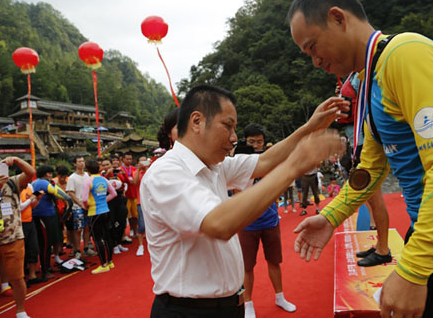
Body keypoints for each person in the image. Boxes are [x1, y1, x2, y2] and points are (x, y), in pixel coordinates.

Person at [288, 0, 433, 317]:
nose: (315, 61)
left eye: (313, 47)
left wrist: (414, 268)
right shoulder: (371, 78)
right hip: (432, 234)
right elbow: (369, 168)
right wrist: (331, 216)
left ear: (338, 19)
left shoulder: (407, 55)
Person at [140, 85, 347, 318]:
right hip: (188, 311)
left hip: (228, 307)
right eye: (227, 126)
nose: (234, 137)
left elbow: (265, 162)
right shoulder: (165, 172)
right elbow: (218, 223)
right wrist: (293, 167)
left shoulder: (215, 166)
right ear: (197, 121)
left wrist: (310, 127)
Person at [238, 123, 296, 317]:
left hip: (270, 220)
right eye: (252, 142)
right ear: (244, 142)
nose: (256, 145)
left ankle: (280, 297)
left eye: (259, 142)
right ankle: (248, 304)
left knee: (274, 261)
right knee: (247, 267)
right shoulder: (236, 163)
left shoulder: (271, 161)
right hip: (246, 223)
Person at [337, 72, 391, 266]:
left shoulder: (361, 73)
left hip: (364, 141)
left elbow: (367, 101)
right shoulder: (352, 75)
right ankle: (380, 245)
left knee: (374, 197)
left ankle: (383, 248)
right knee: (371, 198)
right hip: (358, 139)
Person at [0, 155, 35, 318]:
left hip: (13, 238)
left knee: (17, 278)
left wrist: (16, 160)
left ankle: (21, 311)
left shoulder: (12, 181)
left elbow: (30, 173)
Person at [32, 165, 73, 280]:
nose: (50, 175)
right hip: (43, 216)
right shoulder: (43, 183)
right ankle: (45, 270)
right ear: (44, 174)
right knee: (45, 244)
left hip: (45, 216)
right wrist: (67, 201)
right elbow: (61, 195)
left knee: (46, 243)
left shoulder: (38, 183)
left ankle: (47, 267)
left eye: (50, 173)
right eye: (48, 173)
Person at [82, 160, 117, 274]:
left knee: (97, 239)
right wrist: (103, 201)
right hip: (105, 210)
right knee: (107, 237)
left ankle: (103, 264)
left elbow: (84, 199)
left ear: (87, 170)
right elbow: (114, 194)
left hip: (94, 212)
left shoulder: (88, 181)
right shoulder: (104, 179)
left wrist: (87, 206)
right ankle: (110, 261)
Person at [66, 156, 95, 259]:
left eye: (83, 161)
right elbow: (70, 193)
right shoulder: (72, 177)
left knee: (87, 227)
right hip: (77, 206)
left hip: (88, 205)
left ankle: (86, 248)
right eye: (79, 161)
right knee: (78, 229)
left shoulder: (88, 175)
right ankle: (77, 249)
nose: (82, 163)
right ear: (75, 164)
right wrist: (80, 203)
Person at [100, 157, 128, 254]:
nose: (106, 166)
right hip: (108, 201)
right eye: (104, 165)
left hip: (119, 199)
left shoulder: (118, 173)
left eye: (108, 164)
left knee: (122, 220)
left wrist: (123, 174)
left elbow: (125, 182)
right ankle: (113, 245)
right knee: (111, 223)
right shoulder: (101, 175)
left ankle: (119, 241)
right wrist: (107, 175)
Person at [119, 152, 138, 240]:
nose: (129, 161)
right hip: (125, 195)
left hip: (134, 194)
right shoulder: (120, 169)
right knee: (127, 215)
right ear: (123, 159)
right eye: (127, 159)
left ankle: (135, 231)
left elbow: (134, 181)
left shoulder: (134, 168)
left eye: (130, 159)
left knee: (135, 215)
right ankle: (128, 230)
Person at [134, 155, 150, 257]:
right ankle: (140, 246)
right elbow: (135, 183)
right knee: (142, 224)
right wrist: (139, 169)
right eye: (141, 161)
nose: (143, 163)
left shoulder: (151, 170)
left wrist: (147, 169)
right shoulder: (136, 172)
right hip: (140, 201)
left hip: (151, 201)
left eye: (145, 161)